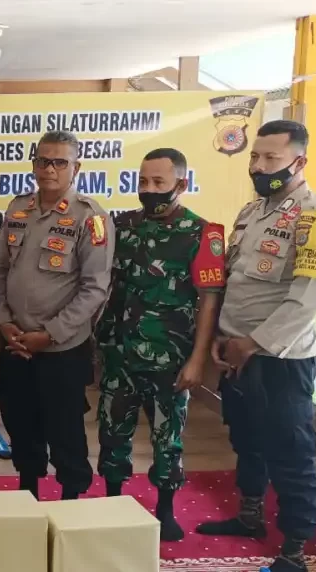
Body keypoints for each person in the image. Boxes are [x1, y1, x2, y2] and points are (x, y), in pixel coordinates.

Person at [196, 120, 316, 572]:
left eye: (271, 158)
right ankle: (250, 515)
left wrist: (252, 343)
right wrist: (223, 338)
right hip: (236, 351)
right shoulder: (253, 212)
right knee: (246, 439)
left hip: (280, 361)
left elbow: (307, 299)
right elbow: (237, 283)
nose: (259, 166)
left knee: (290, 452)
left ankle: (294, 550)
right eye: (255, 157)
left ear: (298, 161)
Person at [95, 148, 225, 542]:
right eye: (142, 182)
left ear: (181, 185)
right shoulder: (122, 226)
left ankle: (165, 510)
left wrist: (197, 360)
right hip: (119, 352)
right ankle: (112, 502)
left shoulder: (202, 233)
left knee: (167, 438)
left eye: (158, 182)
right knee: (112, 433)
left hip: (170, 357)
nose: (148, 190)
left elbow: (209, 301)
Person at [0, 130, 114, 501]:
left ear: (76, 168)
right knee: (19, 423)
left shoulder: (90, 218)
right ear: (34, 165)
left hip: (61, 349)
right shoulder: (18, 209)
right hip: (15, 342)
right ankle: (27, 492)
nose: (49, 169)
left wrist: (50, 334)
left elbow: (95, 289)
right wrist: (4, 322)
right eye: (43, 161)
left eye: (60, 162)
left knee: (65, 432)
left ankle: (70, 503)